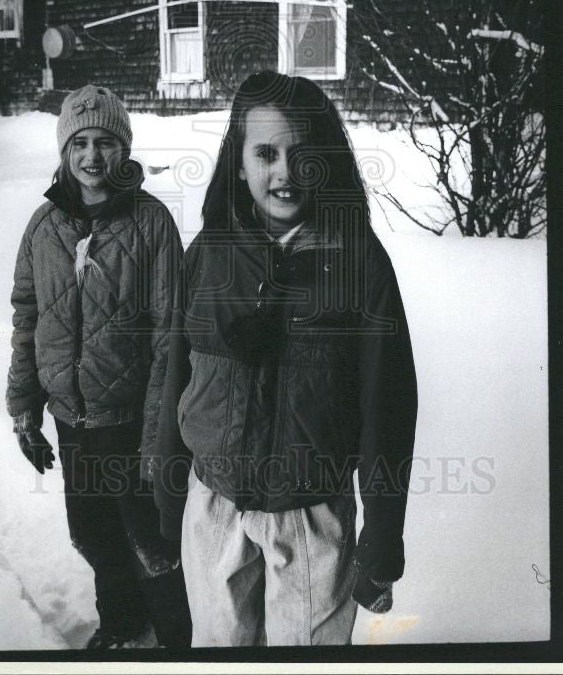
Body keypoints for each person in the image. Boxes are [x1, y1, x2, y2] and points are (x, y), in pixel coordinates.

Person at [154, 70, 418, 647]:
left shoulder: (358, 265)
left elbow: (388, 405)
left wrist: (384, 529)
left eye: (303, 154)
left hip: (310, 516)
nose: (285, 172)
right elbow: (175, 378)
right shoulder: (207, 256)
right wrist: (165, 493)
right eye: (267, 153)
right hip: (214, 507)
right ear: (240, 163)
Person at [6, 84, 191, 650]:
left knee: (150, 541)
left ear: (124, 150)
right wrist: (23, 411)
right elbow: (27, 319)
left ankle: (179, 643)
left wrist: (158, 436)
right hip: (71, 421)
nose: (92, 156)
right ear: (64, 151)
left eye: (106, 143)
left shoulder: (151, 223)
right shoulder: (43, 227)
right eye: (80, 143)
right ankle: (121, 628)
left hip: (131, 421)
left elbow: (170, 335)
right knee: (92, 533)